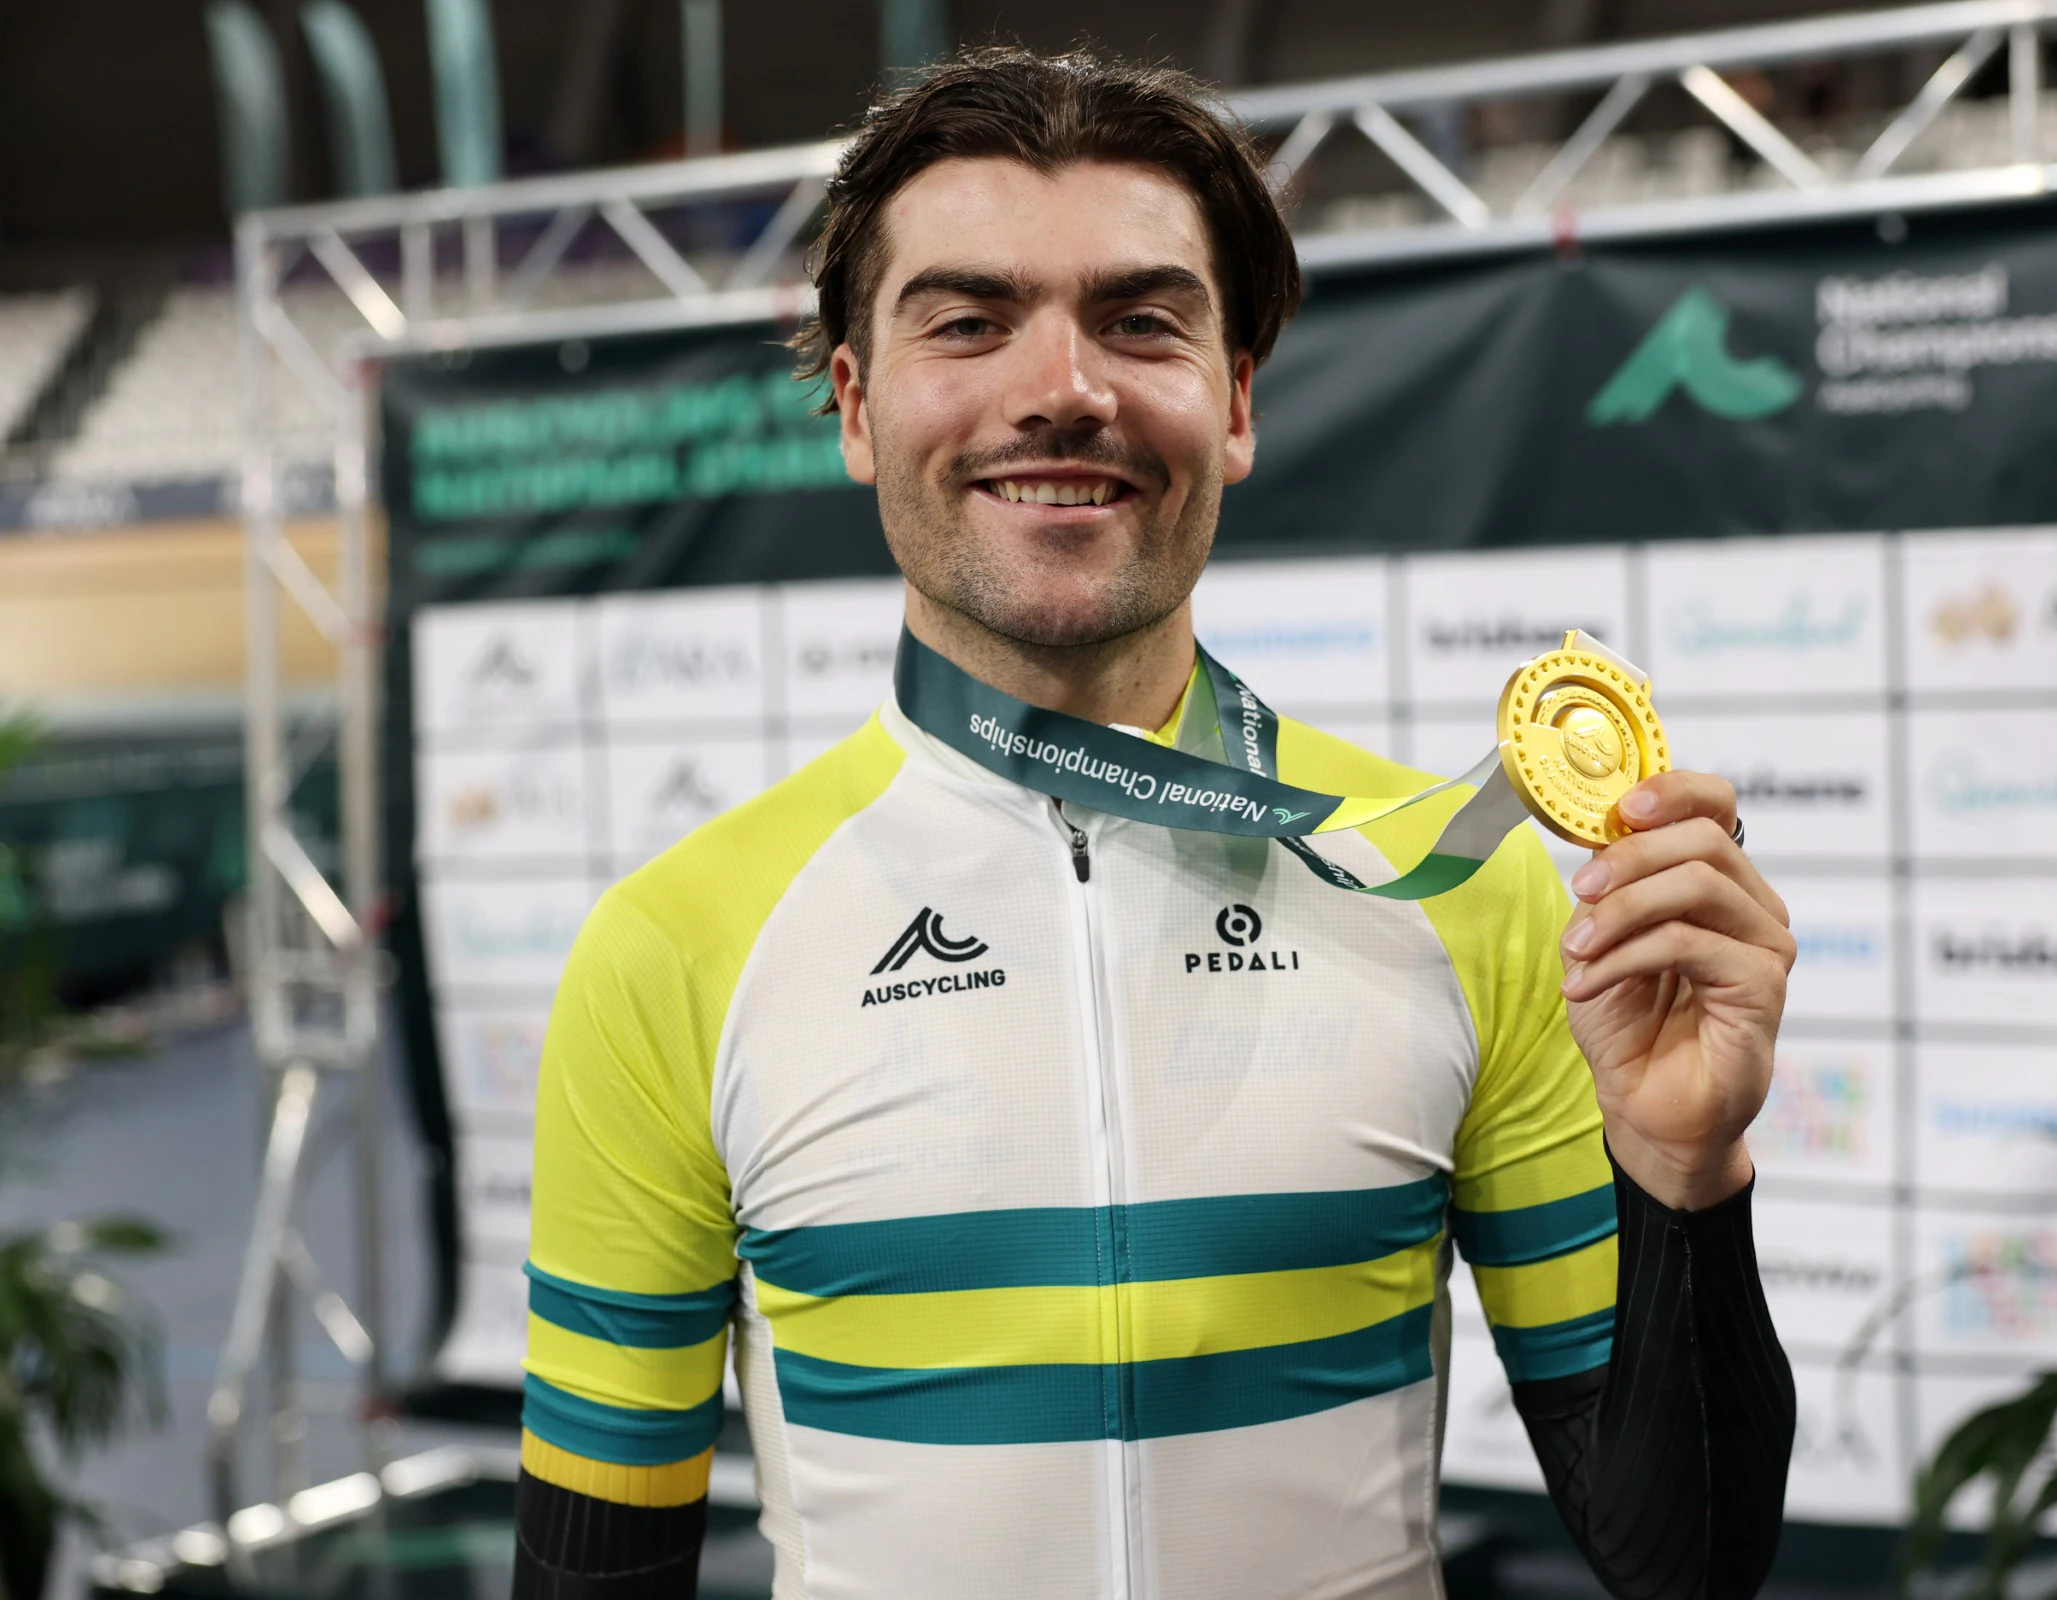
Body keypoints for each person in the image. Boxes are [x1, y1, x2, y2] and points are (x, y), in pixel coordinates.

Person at [511, 46, 1796, 1600]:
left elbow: (1684, 1571)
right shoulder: (673, 949)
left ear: (1234, 402)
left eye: (1140, 322)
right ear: (856, 406)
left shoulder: (1462, 885)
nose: (1063, 388)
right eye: (968, 322)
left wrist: (1687, 1176)